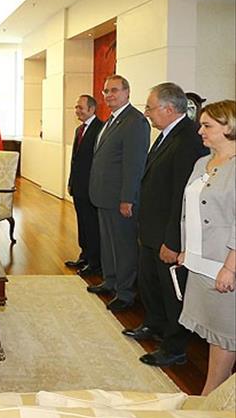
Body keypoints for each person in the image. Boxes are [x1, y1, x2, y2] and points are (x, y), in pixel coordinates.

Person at [123, 83, 207, 367]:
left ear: (169, 109)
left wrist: (173, 241)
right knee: (150, 284)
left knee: (172, 293)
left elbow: (181, 196)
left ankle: (174, 347)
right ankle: (154, 324)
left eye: (150, 108)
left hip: (167, 234)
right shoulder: (165, 135)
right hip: (151, 230)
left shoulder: (187, 140)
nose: (146, 113)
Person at [178, 99, 236, 395]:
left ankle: (210, 396)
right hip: (200, 262)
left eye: (207, 125)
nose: (200, 130)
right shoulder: (202, 163)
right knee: (214, 332)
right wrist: (186, 249)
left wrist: (230, 268)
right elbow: (189, 210)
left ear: (229, 127)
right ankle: (215, 396)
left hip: (224, 265)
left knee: (226, 334)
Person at [88, 75, 150, 311]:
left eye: (114, 90)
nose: (109, 95)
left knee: (124, 247)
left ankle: (125, 293)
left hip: (120, 199)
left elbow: (134, 165)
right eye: (106, 91)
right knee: (108, 244)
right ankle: (111, 281)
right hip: (103, 196)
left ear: (127, 92)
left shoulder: (135, 121)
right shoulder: (111, 120)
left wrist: (127, 198)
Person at [65, 94, 104, 277]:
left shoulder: (101, 129)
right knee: (82, 224)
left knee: (92, 226)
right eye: (76, 107)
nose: (77, 111)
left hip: (92, 188)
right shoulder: (79, 130)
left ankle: (95, 263)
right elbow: (75, 160)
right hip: (79, 187)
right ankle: (84, 256)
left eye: (80, 107)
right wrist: (71, 182)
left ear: (91, 109)